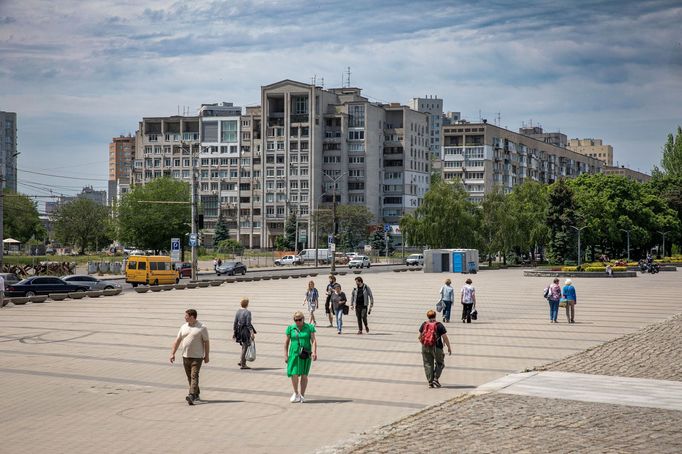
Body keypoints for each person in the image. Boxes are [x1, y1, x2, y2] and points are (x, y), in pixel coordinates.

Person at [169, 309, 210, 405]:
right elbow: (177, 340)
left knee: (194, 376)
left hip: (197, 357)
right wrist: (172, 353)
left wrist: (207, 355)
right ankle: (196, 393)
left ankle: (191, 395)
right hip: (185, 356)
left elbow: (206, 342)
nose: (185, 317)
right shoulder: (183, 327)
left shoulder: (202, 327)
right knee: (190, 378)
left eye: (186, 316)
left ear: (192, 317)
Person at [284, 311, 317, 403]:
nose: (297, 322)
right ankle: (296, 393)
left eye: (299, 320)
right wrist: (286, 355)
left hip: (305, 355)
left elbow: (313, 341)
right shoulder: (291, 328)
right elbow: (286, 343)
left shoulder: (309, 327)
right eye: (296, 320)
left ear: (303, 319)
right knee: (293, 373)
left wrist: (314, 352)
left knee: (304, 374)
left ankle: (302, 395)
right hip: (294, 354)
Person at [418, 309, 452, 388]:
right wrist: (449, 347)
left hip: (425, 347)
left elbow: (419, 337)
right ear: (435, 316)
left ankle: (430, 382)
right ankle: (436, 379)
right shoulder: (439, 325)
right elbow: (445, 338)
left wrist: (424, 344)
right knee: (440, 363)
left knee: (428, 364)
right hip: (436, 347)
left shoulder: (424, 324)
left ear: (427, 316)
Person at [233, 298, 256, 369]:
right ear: (247, 304)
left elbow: (235, 322)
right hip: (245, 331)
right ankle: (243, 364)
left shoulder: (238, 311)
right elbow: (248, 324)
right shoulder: (247, 312)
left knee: (243, 346)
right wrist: (252, 333)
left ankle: (241, 361)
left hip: (239, 330)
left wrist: (234, 332)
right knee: (245, 347)